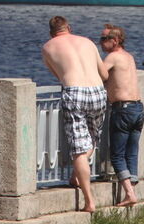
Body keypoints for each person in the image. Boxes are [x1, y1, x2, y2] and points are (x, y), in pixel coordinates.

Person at [41, 15, 108, 213]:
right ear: (69, 27)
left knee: (79, 149)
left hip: (75, 92)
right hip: (97, 91)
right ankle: (77, 174)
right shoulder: (87, 42)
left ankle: (89, 201)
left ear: (52, 33)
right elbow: (104, 74)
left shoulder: (48, 47)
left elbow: (60, 76)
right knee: (92, 139)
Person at [101, 24, 143, 206]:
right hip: (138, 109)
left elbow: (99, 74)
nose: (100, 43)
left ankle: (129, 194)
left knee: (117, 155)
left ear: (115, 40)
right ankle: (132, 192)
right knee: (131, 153)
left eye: (103, 39)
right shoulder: (128, 56)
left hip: (123, 110)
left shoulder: (113, 57)